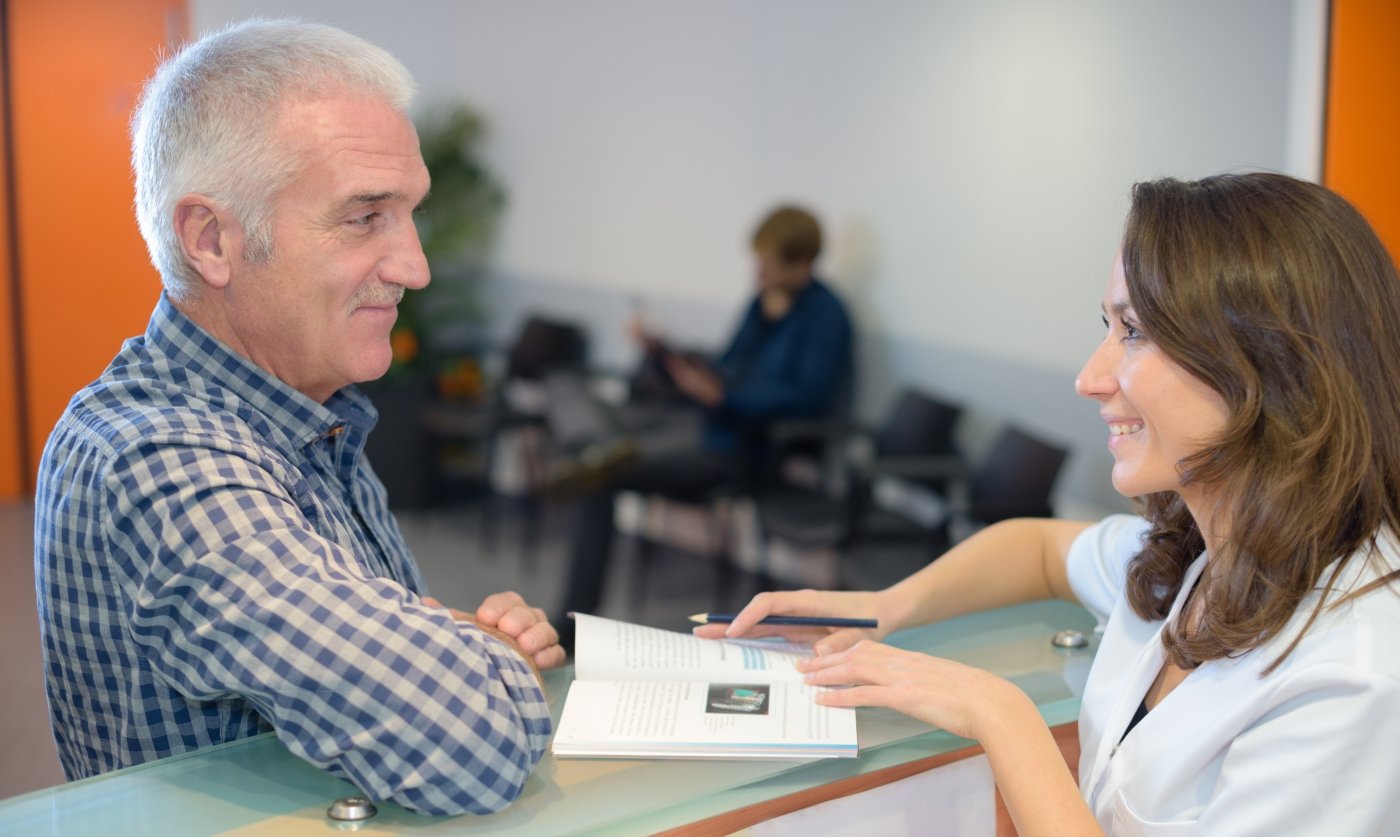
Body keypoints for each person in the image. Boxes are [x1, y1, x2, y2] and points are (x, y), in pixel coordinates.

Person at [699, 173, 1400, 833]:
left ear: (1268, 366)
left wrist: (998, 711)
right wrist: (884, 606)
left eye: (1134, 332)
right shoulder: (1197, 556)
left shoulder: (1353, 671)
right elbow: (1035, 548)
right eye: (1107, 327)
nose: (1090, 377)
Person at [33, 19, 563, 817]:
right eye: (363, 217)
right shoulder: (161, 457)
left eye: (410, 213)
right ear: (212, 239)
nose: (414, 265)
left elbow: (394, 662)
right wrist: (483, 661)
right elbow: (467, 742)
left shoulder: (308, 413)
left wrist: (446, 646)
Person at [552, 205, 853, 645]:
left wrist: (726, 398)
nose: (759, 272)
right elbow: (728, 364)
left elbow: (807, 400)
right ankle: (597, 447)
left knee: (603, 477)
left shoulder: (827, 318)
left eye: (768, 264)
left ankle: (572, 625)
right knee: (564, 383)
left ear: (801, 263)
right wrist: (668, 352)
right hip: (701, 422)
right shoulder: (761, 305)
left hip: (742, 448)